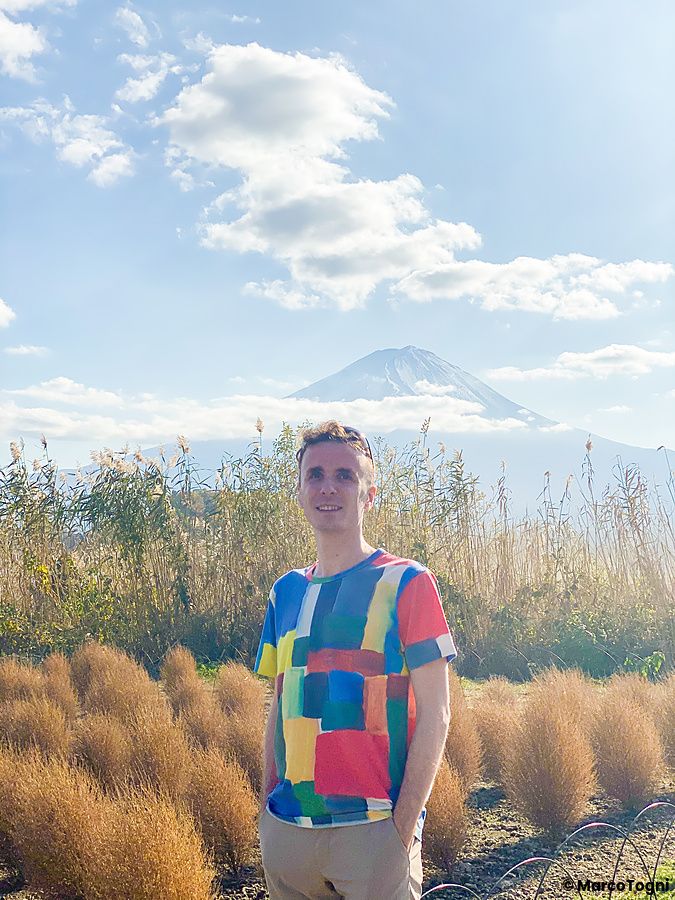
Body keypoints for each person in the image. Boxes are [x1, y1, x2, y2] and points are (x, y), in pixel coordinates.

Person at [254, 421, 457, 900]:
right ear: (300, 492)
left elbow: (437, 713)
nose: (328, 486)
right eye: (316, 474)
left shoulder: (408, 583)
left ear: (369, 493)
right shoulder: (286, 592)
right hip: (288, 834)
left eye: (345, 475)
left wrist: (400, 830)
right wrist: (266, 811)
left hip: (373, 832)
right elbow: (280, 705)